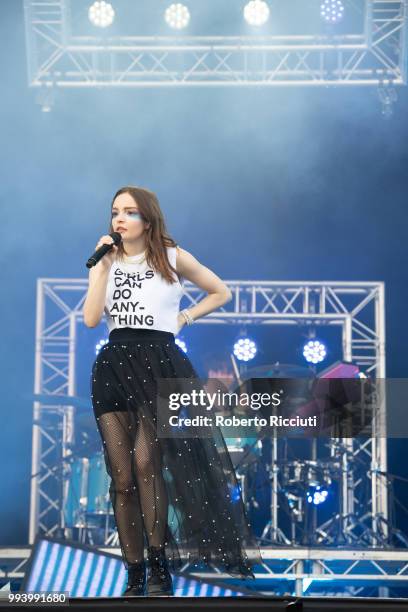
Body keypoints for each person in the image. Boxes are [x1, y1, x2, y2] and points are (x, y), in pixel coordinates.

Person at [83, 185, 262, 597]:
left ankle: (159, 563)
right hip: (114, 363)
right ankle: (133, 571)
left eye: (129, 212)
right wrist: (99, 270)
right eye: (115, 212)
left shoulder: (171, 255)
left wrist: (185, 316)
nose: (119, 219)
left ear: (148, 218)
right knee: (122, 477)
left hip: (159, 365)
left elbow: (220, 291)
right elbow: (92, 318)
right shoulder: (105, 262)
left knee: (148, 464)